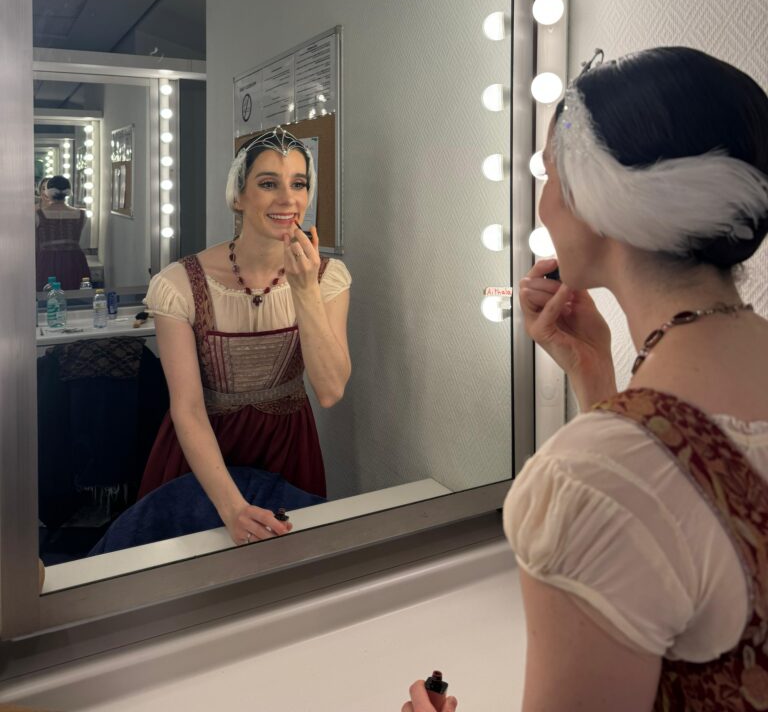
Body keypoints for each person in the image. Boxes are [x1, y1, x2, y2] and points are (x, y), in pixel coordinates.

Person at [401, 46, 768, 712]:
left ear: (600, 202)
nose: (541, 201)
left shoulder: (587, 482)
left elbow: (641, 500)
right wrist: (594, 374)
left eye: (549, 174)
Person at [139, 126, 352, 546]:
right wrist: (232, 507)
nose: (287, 199)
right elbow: (187, 407)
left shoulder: (329, 279)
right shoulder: (179, 283)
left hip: (288, 445)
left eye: (299, 184)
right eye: (268, 183)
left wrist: (305, 291)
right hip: (202, 452)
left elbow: (329, 391)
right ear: (238, 195)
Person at [35, 175, 91, 290]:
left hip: (46, 261)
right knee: (76, 299)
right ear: (68, 192)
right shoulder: (82, 215)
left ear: (48, 192)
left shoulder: (38, 215)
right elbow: (85, 244)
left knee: (48, 299)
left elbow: (33, 245)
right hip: (74, 261)